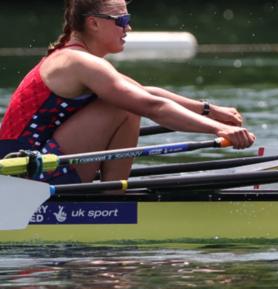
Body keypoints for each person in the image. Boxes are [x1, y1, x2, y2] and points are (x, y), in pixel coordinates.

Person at [0, 0, 255, 184]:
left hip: (30, 167)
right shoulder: (78, 62)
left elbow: (145, 92)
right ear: (94, 23)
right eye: (122, 21)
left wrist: (209, 110)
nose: (128, 28)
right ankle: (113, 204)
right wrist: (218, 130)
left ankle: (113, 199)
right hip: (23, 172)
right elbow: (151, 106)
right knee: (125, 106)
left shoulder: (78, 59)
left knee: (128, 101)